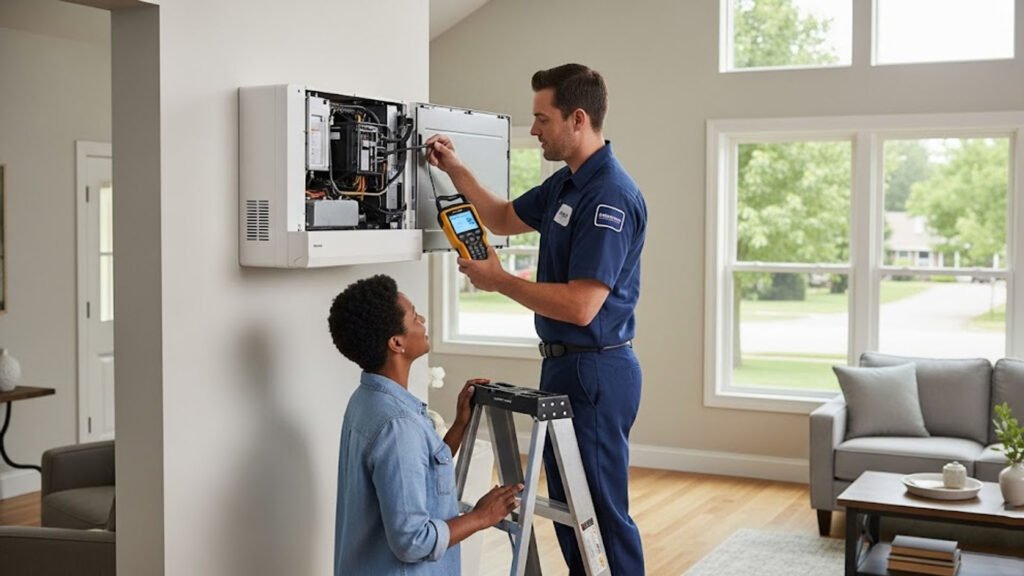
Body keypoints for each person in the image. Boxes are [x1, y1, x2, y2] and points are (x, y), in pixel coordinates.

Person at [426, 63, 647, 575]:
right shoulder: (567, 185)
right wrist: (454, 169)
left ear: (577, 118)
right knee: (573, 514)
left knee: (602, 517)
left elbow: (581, 306)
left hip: (596, 370)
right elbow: (503, 217)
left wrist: (498, 279)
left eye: (541, 119)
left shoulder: (607, 195)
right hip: (565, 365)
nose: (533, 131)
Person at [329, 274, 523, 575]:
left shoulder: (367, 400)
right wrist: (482, 517)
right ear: (396, 343)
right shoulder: (397, 425)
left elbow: (417, 474)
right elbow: (412, 541)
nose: (422, 319)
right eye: (414, 314)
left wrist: (459, 424)